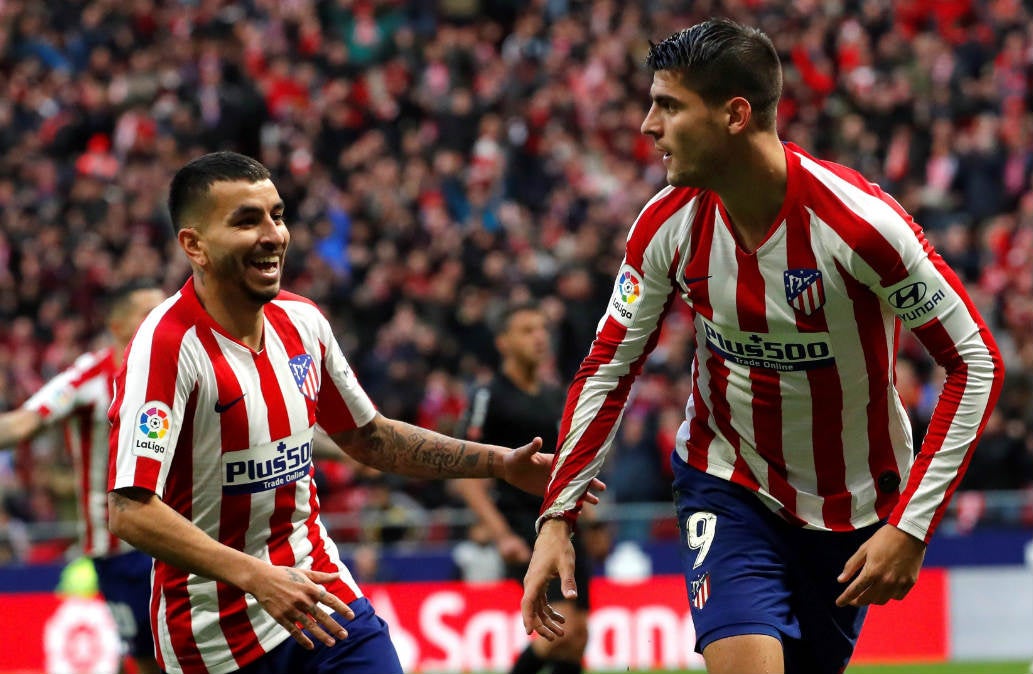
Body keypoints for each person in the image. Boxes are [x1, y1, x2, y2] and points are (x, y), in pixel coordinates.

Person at [520, 19, 1004, 674]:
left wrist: (912, 526)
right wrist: (556, 518)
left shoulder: (859, 226)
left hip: (852, 506)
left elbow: (973, 361)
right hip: (727, 482)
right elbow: (608, 366)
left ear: (733, 114)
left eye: (667, 105)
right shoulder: (666, 224)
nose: (646, 125)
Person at [106, 151, 602, 674]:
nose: (274, 235)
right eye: (246, 221)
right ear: (195, 246)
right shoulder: (164, 346)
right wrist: (256, 575)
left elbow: (370, 438)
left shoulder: (303, 324)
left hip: (325, 601)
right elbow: (130, 510)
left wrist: (499, 463)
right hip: (214, 639)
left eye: (277, 215)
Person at [0, 280, 165, 674]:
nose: (161, 320)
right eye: (148, 312)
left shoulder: (183, 369)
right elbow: (23, 424)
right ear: (119, 324)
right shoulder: (89, 377)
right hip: (119, 548)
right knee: (146, 658)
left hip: (179, 536)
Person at [454, 302, 590, 674]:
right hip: (522, 525)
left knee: (578, 637)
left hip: (564, 523)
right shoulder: (488, 395)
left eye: (541, 329)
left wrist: (590, 519)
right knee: (560, 632)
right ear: (503, 342)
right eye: (527, 330)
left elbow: (565, 465)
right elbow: (467, 475)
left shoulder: (552, 395)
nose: (539, 337)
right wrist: (501, 535)